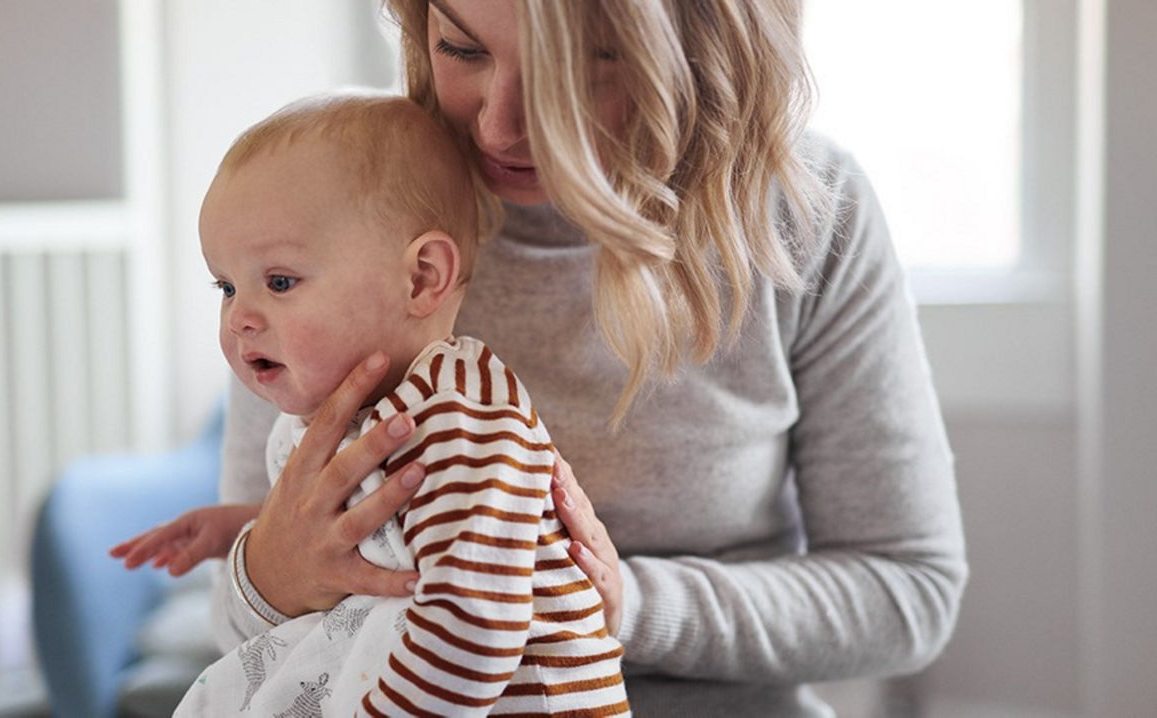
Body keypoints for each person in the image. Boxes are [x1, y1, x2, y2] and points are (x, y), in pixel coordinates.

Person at [202, 1, 968, 715]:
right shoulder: (324, 212)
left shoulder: (805, 211)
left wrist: (610, 604)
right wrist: (268, 575)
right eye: (461, 48)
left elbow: (908, 591)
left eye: (587, 66)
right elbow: (245, 630)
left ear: (700, 54)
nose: (501, 126)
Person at [113, 93, 630, 715]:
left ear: (420, 279)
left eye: (279, 282)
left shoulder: (460, 418)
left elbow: (477, 627)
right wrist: (244, 531)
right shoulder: (360, 411)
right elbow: (381, 529)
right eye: (226, 286)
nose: (240, 318)